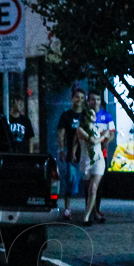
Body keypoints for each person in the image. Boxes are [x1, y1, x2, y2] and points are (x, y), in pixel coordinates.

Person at [76, 99, 108, 226]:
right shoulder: (80, 130)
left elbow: (103, 139)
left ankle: (87, 216)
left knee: (93, 188)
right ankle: (94, 213)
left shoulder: (97, 128)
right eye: (92, 114)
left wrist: (105, 136)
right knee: (89, 190)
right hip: (86, 160)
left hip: (98, 160)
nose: (95, 116)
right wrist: (103, 136)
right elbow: (93, 141)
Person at [56, 87, 85, 221]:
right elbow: (61, 134)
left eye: (82, 97)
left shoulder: (87, 115)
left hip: (85, 152)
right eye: (77, 97)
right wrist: (61, 149)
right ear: (72, 98)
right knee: (70, 179)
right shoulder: (66, 115)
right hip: (70, 153)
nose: (79, 100)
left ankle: (90, 209)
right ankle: (67, 209)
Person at [89, 90, 115, 222]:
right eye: (93, 99)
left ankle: (95, 209)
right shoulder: (86, 115)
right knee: (89, 184)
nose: (95, 102)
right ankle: (90, 211)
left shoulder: (107, 116)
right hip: (88, 154)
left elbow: (111, 134)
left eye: (97, 99)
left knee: (99, 184)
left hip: (102, 154)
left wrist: (107, 142)